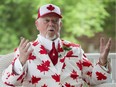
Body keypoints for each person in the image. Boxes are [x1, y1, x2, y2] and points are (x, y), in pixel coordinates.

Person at [2, 4, 112, 87]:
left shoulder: (75, 49)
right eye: (46, 20)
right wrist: (20, 62)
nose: (51, 24)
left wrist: (102, 62)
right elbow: (8, 83)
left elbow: (94, 79)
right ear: (37, 24)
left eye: (55, 21)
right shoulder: (26, 50)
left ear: (60, 25)